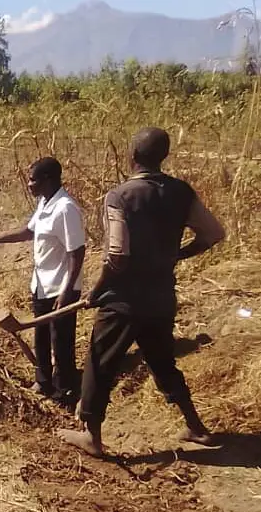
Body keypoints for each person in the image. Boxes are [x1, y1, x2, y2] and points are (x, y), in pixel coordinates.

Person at [59, 127, 226, 458]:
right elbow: (214, 233)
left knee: (98, 363)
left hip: (123, 302)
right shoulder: (181, 192)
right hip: (162, 298)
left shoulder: (120, 196)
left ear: (131, 156)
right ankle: (196, 427)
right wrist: (178, 255)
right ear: (162, 157)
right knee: (163, 362)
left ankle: (91, 436)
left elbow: (117, 257)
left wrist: (97, 290)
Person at [0, 157, 86, 406]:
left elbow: (77, 252)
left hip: (60, 287)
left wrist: (67, 290)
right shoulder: (44, 203)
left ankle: (64, 392)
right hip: (41, 283)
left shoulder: (66, 209)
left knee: (61, 341)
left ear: (49, 179)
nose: (29, 184)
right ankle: (43, 381)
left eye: (33, 179)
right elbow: (29, 231)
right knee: (41, 336)